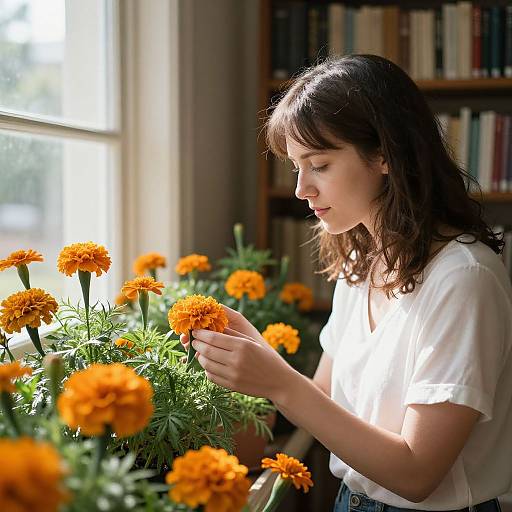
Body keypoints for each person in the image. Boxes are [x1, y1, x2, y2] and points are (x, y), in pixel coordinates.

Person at [181, 55, 512, 511]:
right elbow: (325, 399)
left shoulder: (464, 279)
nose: (301, 189)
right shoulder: (362, 261)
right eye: (297, 166)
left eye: (319, 164)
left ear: (384, 155)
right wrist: (257, 359)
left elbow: (417, 473)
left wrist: (279, 383)